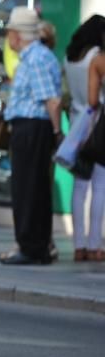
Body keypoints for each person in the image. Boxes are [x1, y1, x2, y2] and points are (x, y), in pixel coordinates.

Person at [0, 6, 63, 265]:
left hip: (32, 128)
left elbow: (52, 100)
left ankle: (30, 246)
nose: (8, 38)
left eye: (10, 33)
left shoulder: (35, 58)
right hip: (34, 128)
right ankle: (38, 245)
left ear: (18, 35)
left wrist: (57, 132)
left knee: (27, 189)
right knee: (36, 189)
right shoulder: (38, 56)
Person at [75, 17, 105, 261]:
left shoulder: (69, 57)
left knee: (80, 185)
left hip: (78, 123)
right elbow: (94, 100)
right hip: (96, 126)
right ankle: (95, 244)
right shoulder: (96, 58)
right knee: (99, 185)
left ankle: (78, 244)